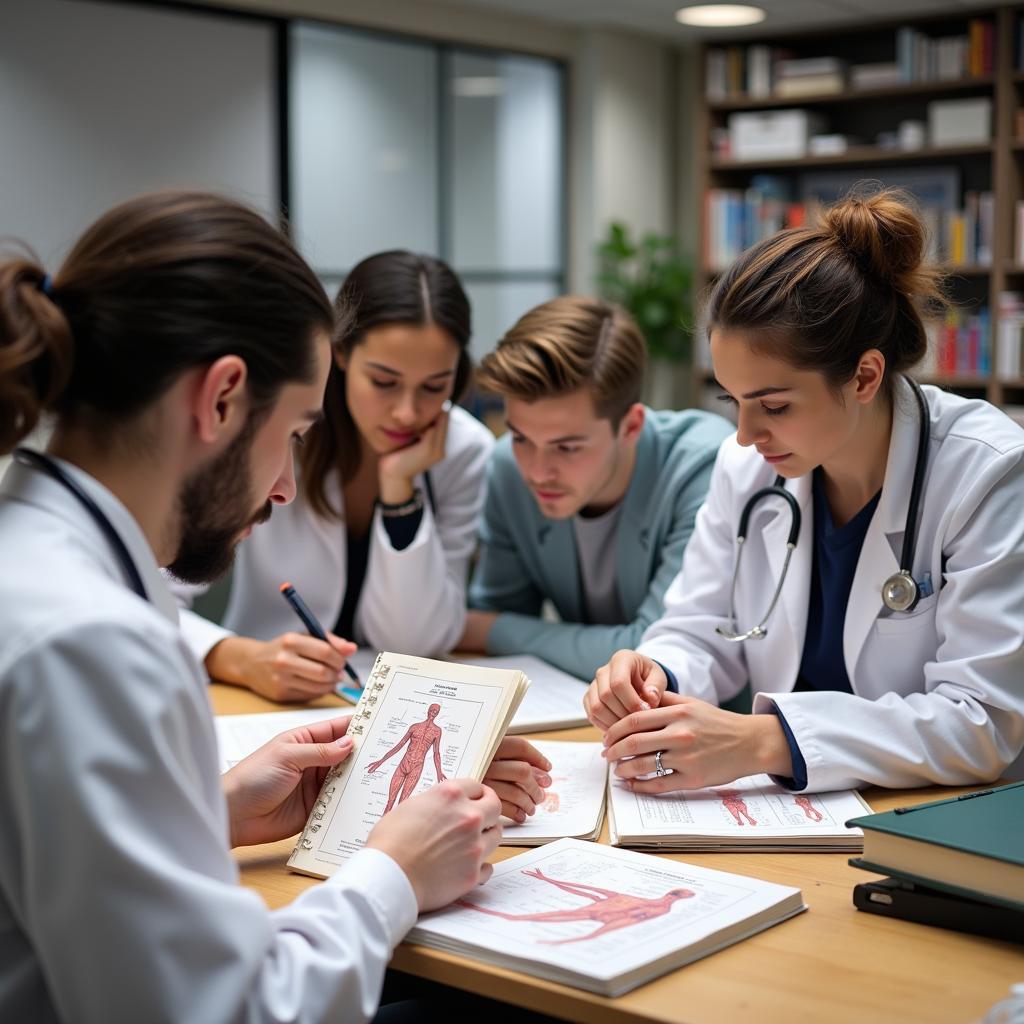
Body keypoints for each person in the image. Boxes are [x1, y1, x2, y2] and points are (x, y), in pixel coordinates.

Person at [0, 191, 550, 1023]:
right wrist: (394, 872)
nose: (289, 485)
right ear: (222, 399)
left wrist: (211, 810)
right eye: (296, 429)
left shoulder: (31, 558)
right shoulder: (93, 644)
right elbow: (227, 1011)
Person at [585, 190, 1024, 794]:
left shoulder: (986, 472)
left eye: (773, 405)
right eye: (732, 401)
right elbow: (700, 626)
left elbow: (983, 722)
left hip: (938, 815)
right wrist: (653, 672)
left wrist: (765, 741)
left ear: (865, 375)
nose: (744, 433)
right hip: (805, 816)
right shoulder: (748, 466)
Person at [172, 250, 494, 702]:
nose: (408, 412)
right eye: (384, 381)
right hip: (257, 701)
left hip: (388, 705)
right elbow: (147, 594)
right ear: (340, 352)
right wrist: (236, 656)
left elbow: (416, 641)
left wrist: (399, 487)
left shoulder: (463, 450)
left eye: (434, 386)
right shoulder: (279, 435)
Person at [460, 295, 733, 680]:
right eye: (521, 437)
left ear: (631, 426)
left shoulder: (704, 466)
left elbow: (654, 652)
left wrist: (493, 631)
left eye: (567, 447)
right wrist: (492, 630)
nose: (538, 472)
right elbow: (494, 621)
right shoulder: (507, 466)